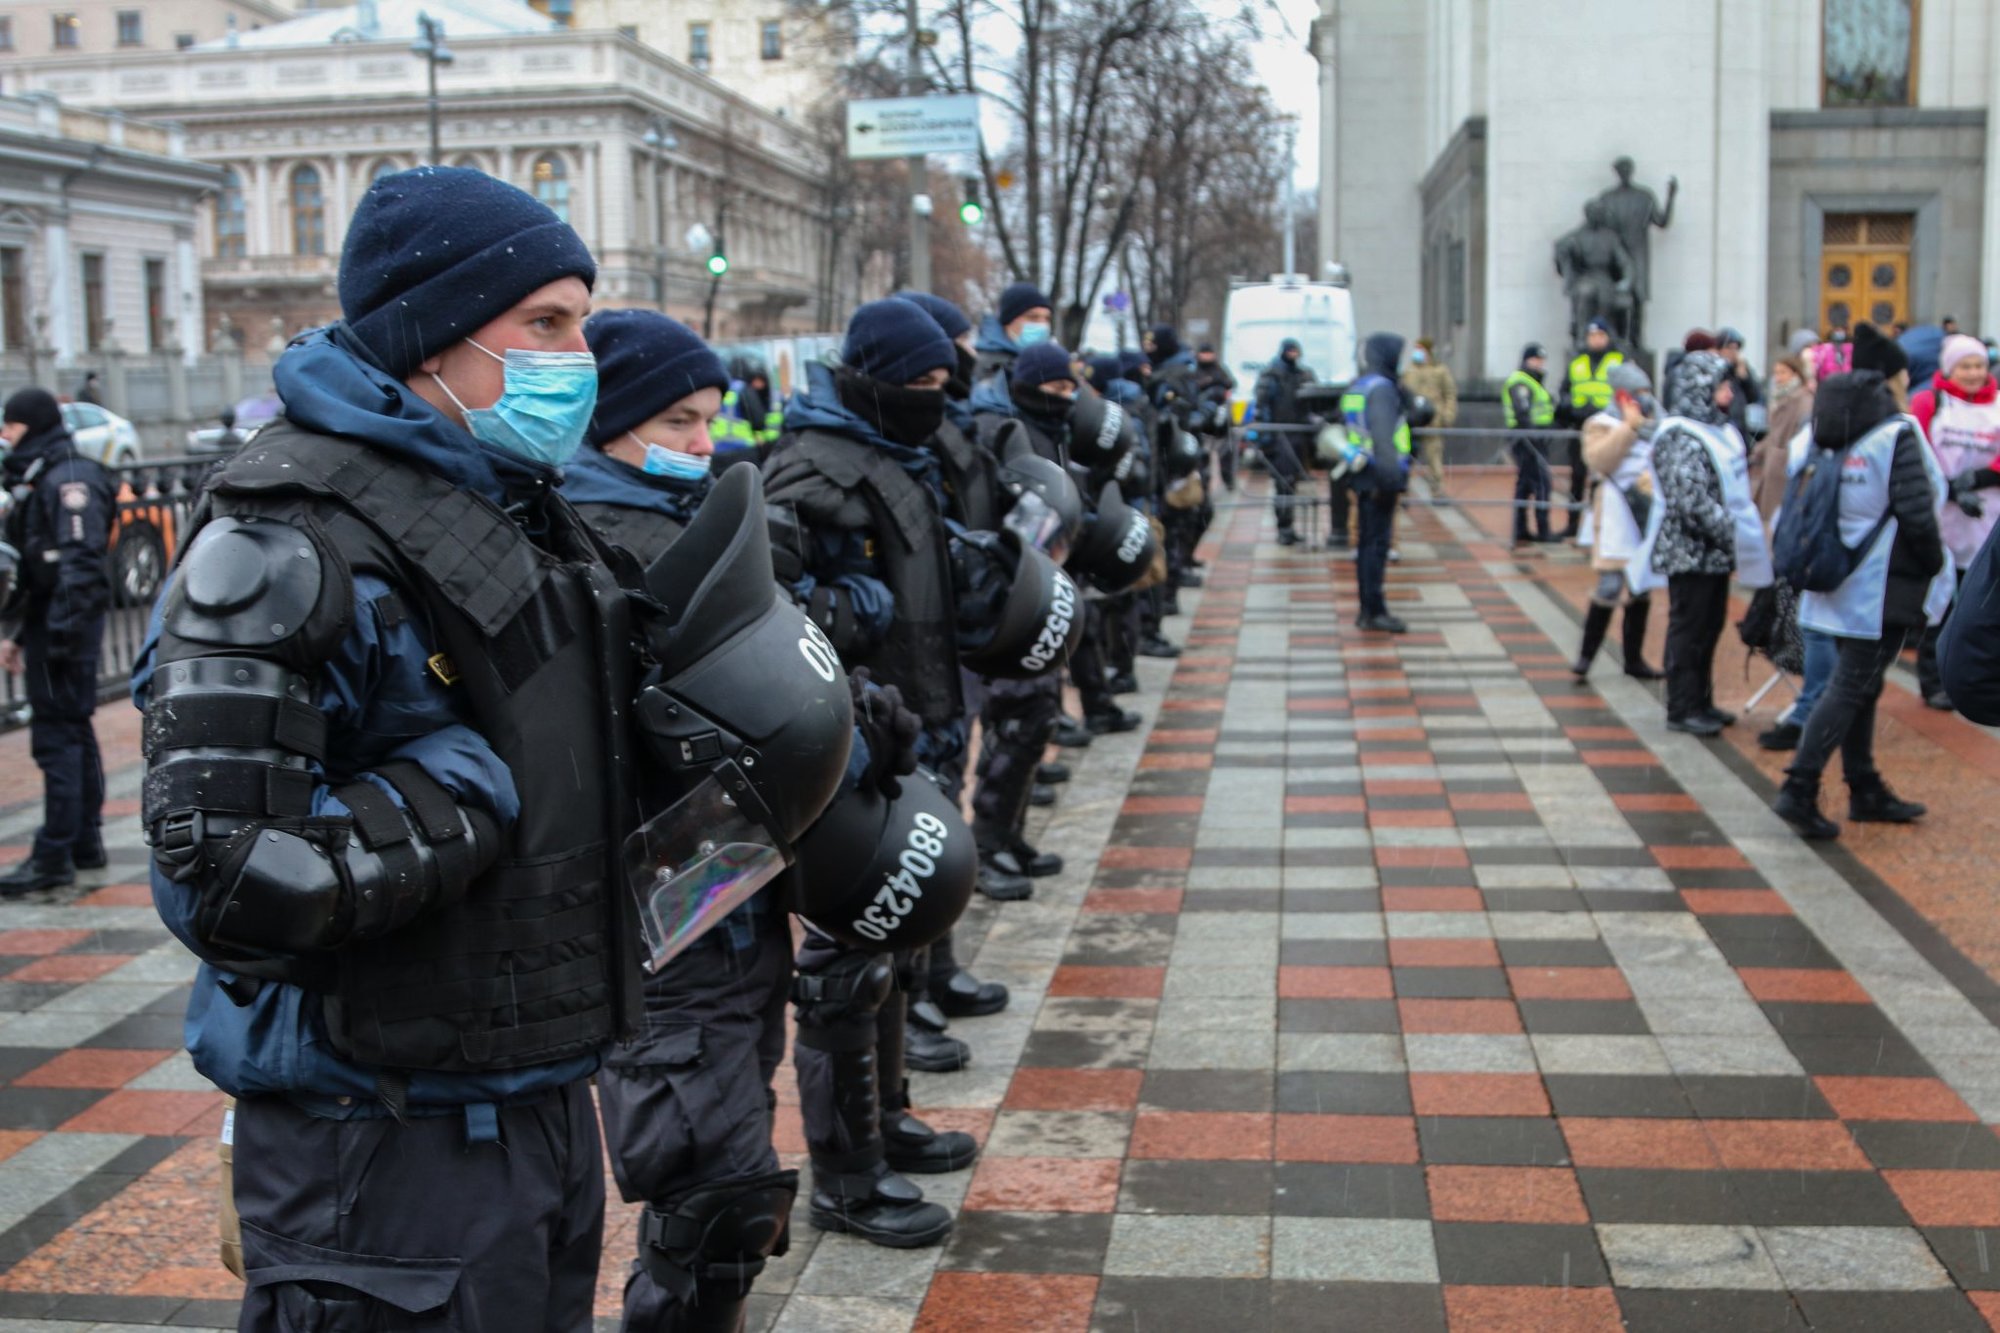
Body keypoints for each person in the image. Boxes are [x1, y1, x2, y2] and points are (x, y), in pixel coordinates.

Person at [136, 166, 640, 1330]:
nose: (578, 360)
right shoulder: (282, 545)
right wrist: (462, 792)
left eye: (583, 324)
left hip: (535, 1090)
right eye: (545, 325)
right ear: (434, 337)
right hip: (376, 1140)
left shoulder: (513, 507)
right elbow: (220, 877)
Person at [763, 300, 1002, 1248]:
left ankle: (888, 1112)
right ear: (877, 376)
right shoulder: (809, 468)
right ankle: (846, 1170)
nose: (938, 399)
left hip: (917, 722)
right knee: (843, 964)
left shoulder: (900, 454)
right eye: (928, 382)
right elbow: (776, 611)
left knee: (895, 945)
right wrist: (845, 608)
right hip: (851, 742)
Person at [1773, 331, 1947, 839]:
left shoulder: (1823, 430)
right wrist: (1934, 565)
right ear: (1892, 379)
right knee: (1851, 683)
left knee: (1860, 684)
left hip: (1833, 573)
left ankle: (1863, 783)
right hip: (1881, 581)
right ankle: (1799, 786)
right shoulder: (1896, 434)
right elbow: (1918, 511)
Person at [0, 388, 114, 894]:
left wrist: (62, 641)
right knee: (74, 731)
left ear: (32, 425)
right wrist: (25, 633)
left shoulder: (68, 476)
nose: (5, 437)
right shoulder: (47, 471)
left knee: (58, 740)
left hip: (66, 627)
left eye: (11, 427)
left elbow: (80, 565)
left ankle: (54, 856)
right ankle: (83, 842)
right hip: (54, 623)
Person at [1642, 349, 1770, 735]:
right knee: (1689, 629)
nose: (1729, 393)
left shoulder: (1719, 429)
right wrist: (1731, 530)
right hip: (1690, 552)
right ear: (1700, 388)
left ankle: (1702, 700)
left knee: (1709, 628)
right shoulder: (1679, 435)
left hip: (1713, 553)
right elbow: (1689, 500)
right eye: (1721, 386)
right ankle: (1682, 707)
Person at [1908, 333, 2000, 709]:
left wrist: (1980, 479)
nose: (1974, 373)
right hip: (1943, 515)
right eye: (1966, 365)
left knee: (1980, 599)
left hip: (1987, 515)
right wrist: (1948, 487)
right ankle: (1933, 680)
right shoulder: (1930, 401)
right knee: (1939, 600)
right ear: (1949, 368)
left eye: (1979, 365)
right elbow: (1916, 449)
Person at [1571, 363, 1663, 681]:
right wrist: (1629, 427)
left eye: (1647, 391)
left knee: (1640, 587)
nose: (1646, 398)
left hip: (1647, 512)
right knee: (1609, 585)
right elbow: (1600, 460)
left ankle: (1634, 659)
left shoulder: (1659, 423)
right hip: (1615, 514)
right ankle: (1585, 657)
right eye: (1639, 392)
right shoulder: (1600, 423)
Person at [1341, 333, 1412, 633]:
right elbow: (1383, 438)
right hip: (1380, 477)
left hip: (1362, 473)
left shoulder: (1359, 386)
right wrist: (1392, 480)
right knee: (1376, 547)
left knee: (1367, 544)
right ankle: (1374, 610)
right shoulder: (1382, 390)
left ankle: (1367, 609)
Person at [1557, 320, 1624, 536]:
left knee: (1603, 477)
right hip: (1580, 427)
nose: (1596, 340)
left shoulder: (1618, 361)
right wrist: (1573, 408)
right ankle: (1573, 524)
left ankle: (1598, 524)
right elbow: (1565, 390)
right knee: (1577, 476)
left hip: (1607, 427)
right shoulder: (1577, 363)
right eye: (1592, 336)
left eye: (1601, 335)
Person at [1254, 338, 1316, 546]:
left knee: (1290, 484)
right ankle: (1284, 528)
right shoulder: (1271, 376)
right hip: (1279, 436)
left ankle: (1288, 527)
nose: (1293, 355)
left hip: (1297, 436)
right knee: (1283, 483)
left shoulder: (1303, 375)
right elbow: (1262, 407)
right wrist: (1266, 440)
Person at [1504, 343, 1557, 545]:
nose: (1539, 364)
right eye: (1535, 359)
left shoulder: (1534, 382)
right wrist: (1534, 435)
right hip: (1526, 438)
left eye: (1541, 360)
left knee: (1525, 484)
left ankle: (1522, 529)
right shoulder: (1520, 382)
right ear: (1526, 360)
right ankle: (1542, 530)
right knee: (1541, 482)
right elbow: (1522, 411)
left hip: (1535, 437)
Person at [1402, 337, 1457, 496]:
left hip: (1433, 421)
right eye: (1416, 348)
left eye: (1421, 349)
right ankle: (1403, 490)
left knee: (1434, 458)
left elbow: (1450, 394)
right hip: (1412, 422)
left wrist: (1448, 414)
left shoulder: (1440, 370)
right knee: (1407, 457)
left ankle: (1437, 489)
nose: (1417, 352)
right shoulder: (1409, 371)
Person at [973, 281, 1054, 381]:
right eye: (1033, 317)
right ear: (1008, 322)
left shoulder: (1050, 364)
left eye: (1047, 318)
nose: (1042, 325)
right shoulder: (991, 366)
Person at [1192, 343, 1239, 492]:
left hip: (1221, 417)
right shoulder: (1195, 370)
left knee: (1226, 453)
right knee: (1203, 454)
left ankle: (1228, 479)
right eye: (1204, 353)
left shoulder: (1219, 369)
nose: (1206, 357)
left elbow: (1230, 383)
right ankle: (1204, 481)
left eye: (1209, 353)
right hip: (1203, 418)